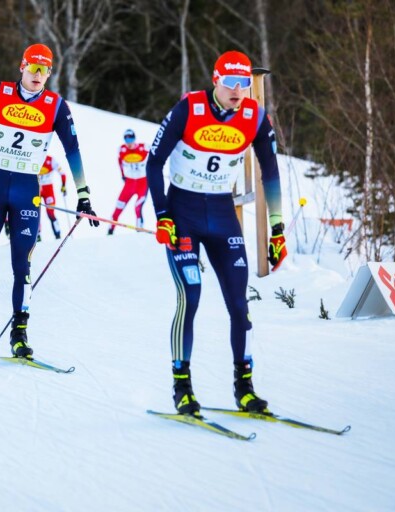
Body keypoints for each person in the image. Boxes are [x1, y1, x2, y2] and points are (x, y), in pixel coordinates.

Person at [146, 50, 287, 415]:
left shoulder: (255, 116)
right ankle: (182, 388)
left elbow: (271, 172)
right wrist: (162, 215)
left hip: (223, 216)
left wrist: (277, 229)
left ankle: (245, 388)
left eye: (245, 83)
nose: (238, 90)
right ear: (216, 80)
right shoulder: (189, 109)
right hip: (184, 213)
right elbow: (154, 161)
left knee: (239, 304)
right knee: (190, 296)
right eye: (231, 83)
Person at [0, 43, 99, 358]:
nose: (38, 74)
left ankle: (19, 334)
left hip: (26, 193)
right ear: (22, 66)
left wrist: (83, 194)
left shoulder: (56, 106)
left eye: (45, 70)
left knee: (22, 266)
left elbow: (73, 150)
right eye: (33, 67)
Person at [107, 129, 149, 235]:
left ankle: (139, 231)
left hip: (143, 183)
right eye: (126, 140)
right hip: (129, 184)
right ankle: (110, 231)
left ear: (134, 138)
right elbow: (120, 162)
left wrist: (153, 173)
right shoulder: (121, 150)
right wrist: (122, 175)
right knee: (118, 207)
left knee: (137, 207)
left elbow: (156, 157)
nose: (129, 143)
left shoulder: (144, 147)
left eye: (131, 139)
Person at [38, 154, 67, 239]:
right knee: (35, 213)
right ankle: (37, 235)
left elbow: (62, 173)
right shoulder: (34, 157)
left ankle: (58, 234)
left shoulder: (50, 160)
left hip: (48, 190)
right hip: (36, 190)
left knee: (50, 213)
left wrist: (63, 186)